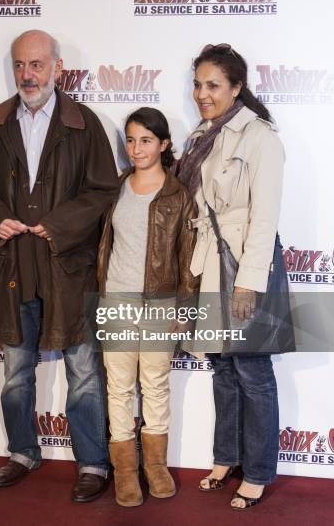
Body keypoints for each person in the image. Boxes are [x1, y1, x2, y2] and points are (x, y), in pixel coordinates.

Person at [0, 30, 119, 502]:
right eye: (20, 65)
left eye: (37, 65)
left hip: (67, 268)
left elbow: (104, 190)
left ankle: (93, 462)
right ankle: (22, 451)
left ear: (58, 68)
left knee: (84, 371)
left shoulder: (85, 124)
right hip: (11, 266)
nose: (28, 75)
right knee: (15, 372)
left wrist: (58, 224)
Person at [177, 44, 285, 510]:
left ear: (237, 87)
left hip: (245, 265)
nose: (202, 93)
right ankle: (226, 456)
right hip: (209, 262)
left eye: (213, 85)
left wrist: (248, 281)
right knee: (221, 365)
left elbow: (265, 217)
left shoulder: (260, 137)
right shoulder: (201, 136)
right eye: (198, 85)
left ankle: (258, 470)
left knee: (252, 368)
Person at [97, 107, 198, 507]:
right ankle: (124, 470)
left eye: (146, 140)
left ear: (164, 144)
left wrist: (185, 308)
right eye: (132, 139)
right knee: (118, 389)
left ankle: (155, 466)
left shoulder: (178, 194)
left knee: (155, 386)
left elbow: (189, 257)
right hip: (116, 302)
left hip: (161, 303)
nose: (137, 148)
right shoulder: (114, 187)